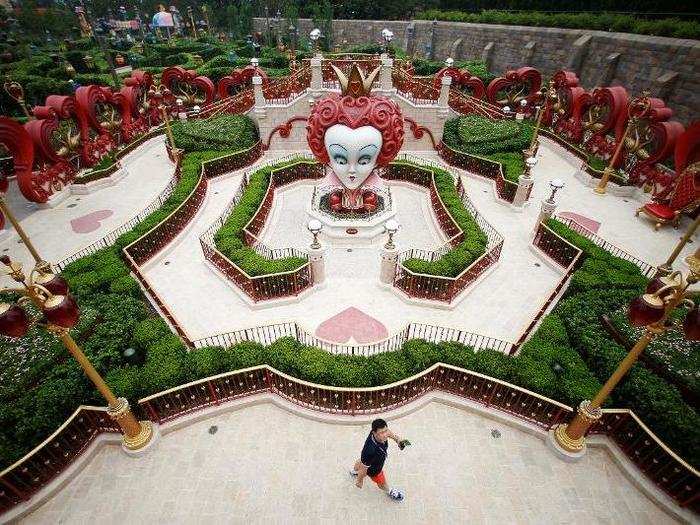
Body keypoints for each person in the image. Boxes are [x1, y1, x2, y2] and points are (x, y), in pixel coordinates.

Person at [349, 418, 410, 501]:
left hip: (368, 460)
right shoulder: (369, 450)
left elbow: (388, 432)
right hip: (374, 469)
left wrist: (397, 440)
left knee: (362, 461)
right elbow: (364, 468)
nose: (385, 435)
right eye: (381, 433)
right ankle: (390, 491)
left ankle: (355, 471)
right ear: (374, 433)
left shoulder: (376, 432)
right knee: (381, 483)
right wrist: (360, 480)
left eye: (385, 430)